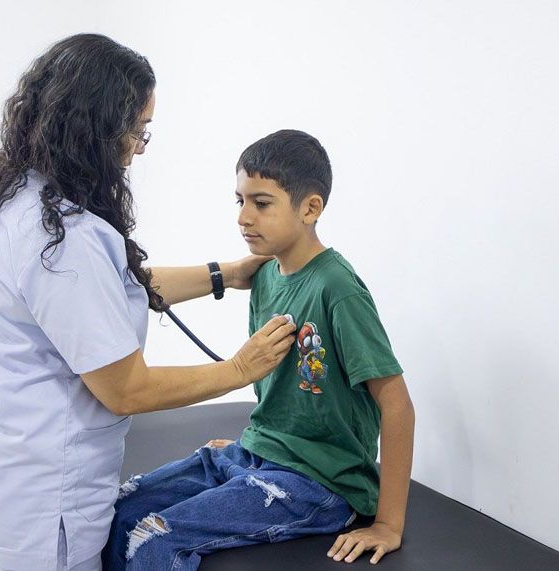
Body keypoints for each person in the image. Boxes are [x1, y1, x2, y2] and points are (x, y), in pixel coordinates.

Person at [0, 35, 296, 571]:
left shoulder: (22, 195)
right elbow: (125, 389)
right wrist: (241, 368)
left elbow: (115, 288)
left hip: (2, 457)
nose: (141, 147)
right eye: (138, 130)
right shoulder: (62, 241)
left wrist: (225, 274)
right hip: (44, 494)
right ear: (95, 129)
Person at [104, 130, 416, 569]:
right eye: (240, 201)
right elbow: (282, 388)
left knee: (154, 540)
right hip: (258, 452)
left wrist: (388, 524)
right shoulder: (267, 275)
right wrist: (259, 441)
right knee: (118, 513)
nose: (244, 217)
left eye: (262, 203)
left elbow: (397, 405)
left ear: (310, 208)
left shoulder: (337, 290)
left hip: (318, 480)